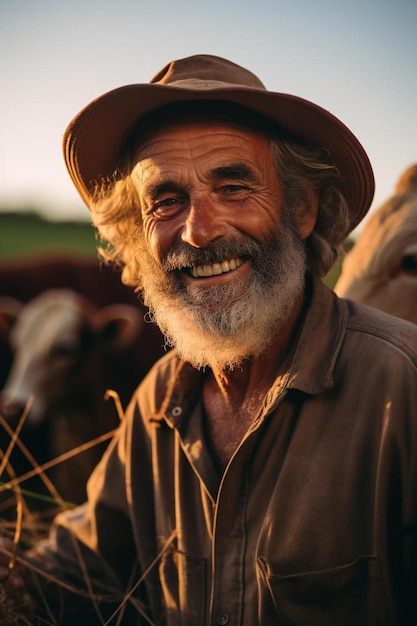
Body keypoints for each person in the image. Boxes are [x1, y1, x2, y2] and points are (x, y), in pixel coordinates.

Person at [1, 54, 416, 625]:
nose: (198, 232)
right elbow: (74, 576)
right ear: (137, 236)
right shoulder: (157, 401)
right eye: (165, 201)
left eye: (235, 186)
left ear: (301, 208)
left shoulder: (404, 387)